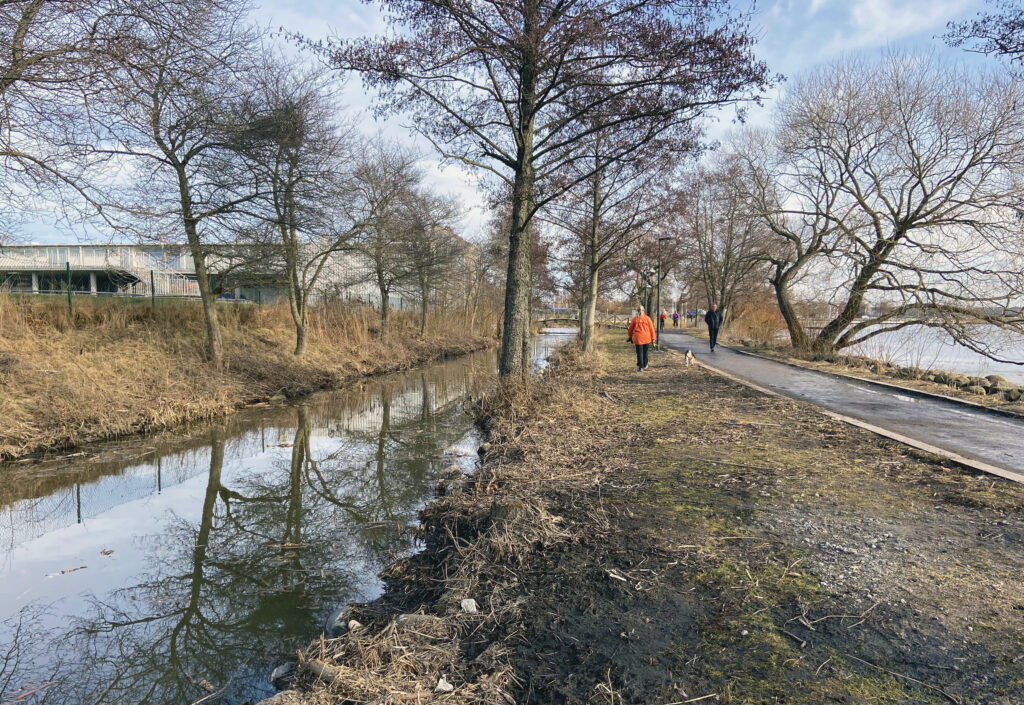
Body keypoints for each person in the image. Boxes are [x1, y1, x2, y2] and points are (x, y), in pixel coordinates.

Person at [627, 305, 656, 372]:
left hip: (638, 338)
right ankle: (645, 364)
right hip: (646, 337)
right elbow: (651, 329)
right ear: (644, 311)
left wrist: (630, 336)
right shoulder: (647, 319)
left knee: (639, 353)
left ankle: (641, 366)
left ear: (637, 311)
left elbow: (630, 329)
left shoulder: (635, 319)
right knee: (645, 352)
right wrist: (653, 338)